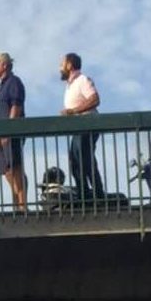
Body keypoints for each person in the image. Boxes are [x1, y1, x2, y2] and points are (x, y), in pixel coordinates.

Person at [60, 52, 105, 199]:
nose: (60, 67)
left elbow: (94, 99)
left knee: (85, 159)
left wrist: (73, 111)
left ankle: (97, 194)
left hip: (87, 124)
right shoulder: (71, 85)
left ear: (70, 65)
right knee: (75, 161)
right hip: (79, 127)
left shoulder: (82, 80)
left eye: (62, 64)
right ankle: (84, 193)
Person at [0, 51, 27, 210]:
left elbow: (16, 106)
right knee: (7, 170)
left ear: (4, 65)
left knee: (15, 167)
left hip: (12, 134)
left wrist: (8, 131)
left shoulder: (14, 82)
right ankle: (17, 203)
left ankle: (22, 205)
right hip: (0, 136)